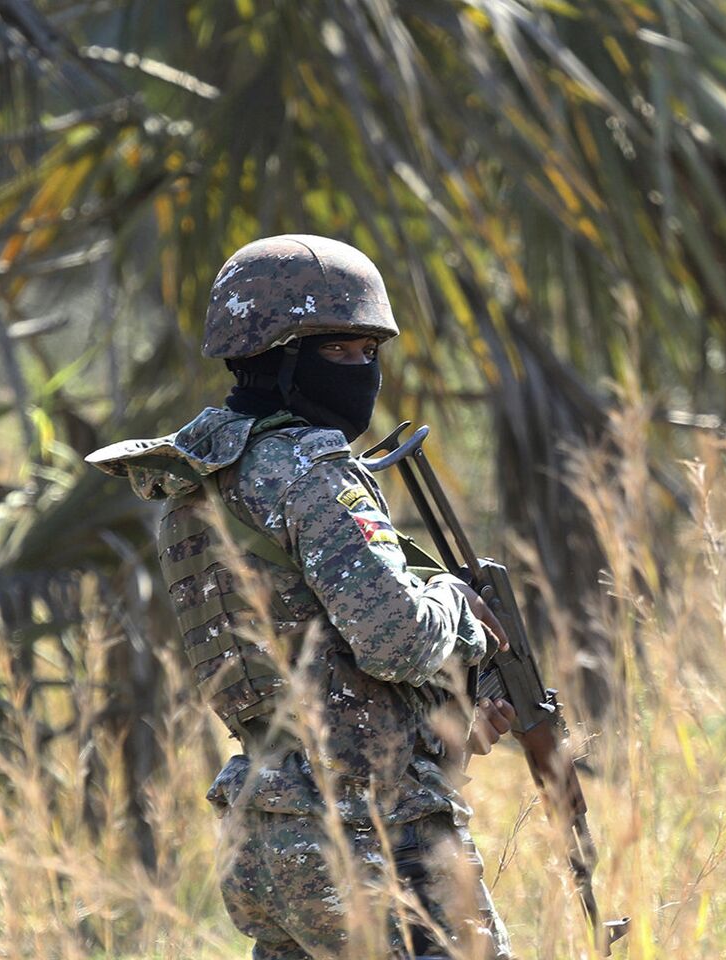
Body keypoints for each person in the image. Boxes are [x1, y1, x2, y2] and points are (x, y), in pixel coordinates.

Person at [87, 234, 518, 959]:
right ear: (279, 358)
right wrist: (456, 610)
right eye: (339, 352)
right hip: (366, 839)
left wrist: (442, 728)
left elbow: (307, 661)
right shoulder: (309, 472)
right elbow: (396, 639)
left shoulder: (195, 480)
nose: (360, 371)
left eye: (367, 354)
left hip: (265, 834)